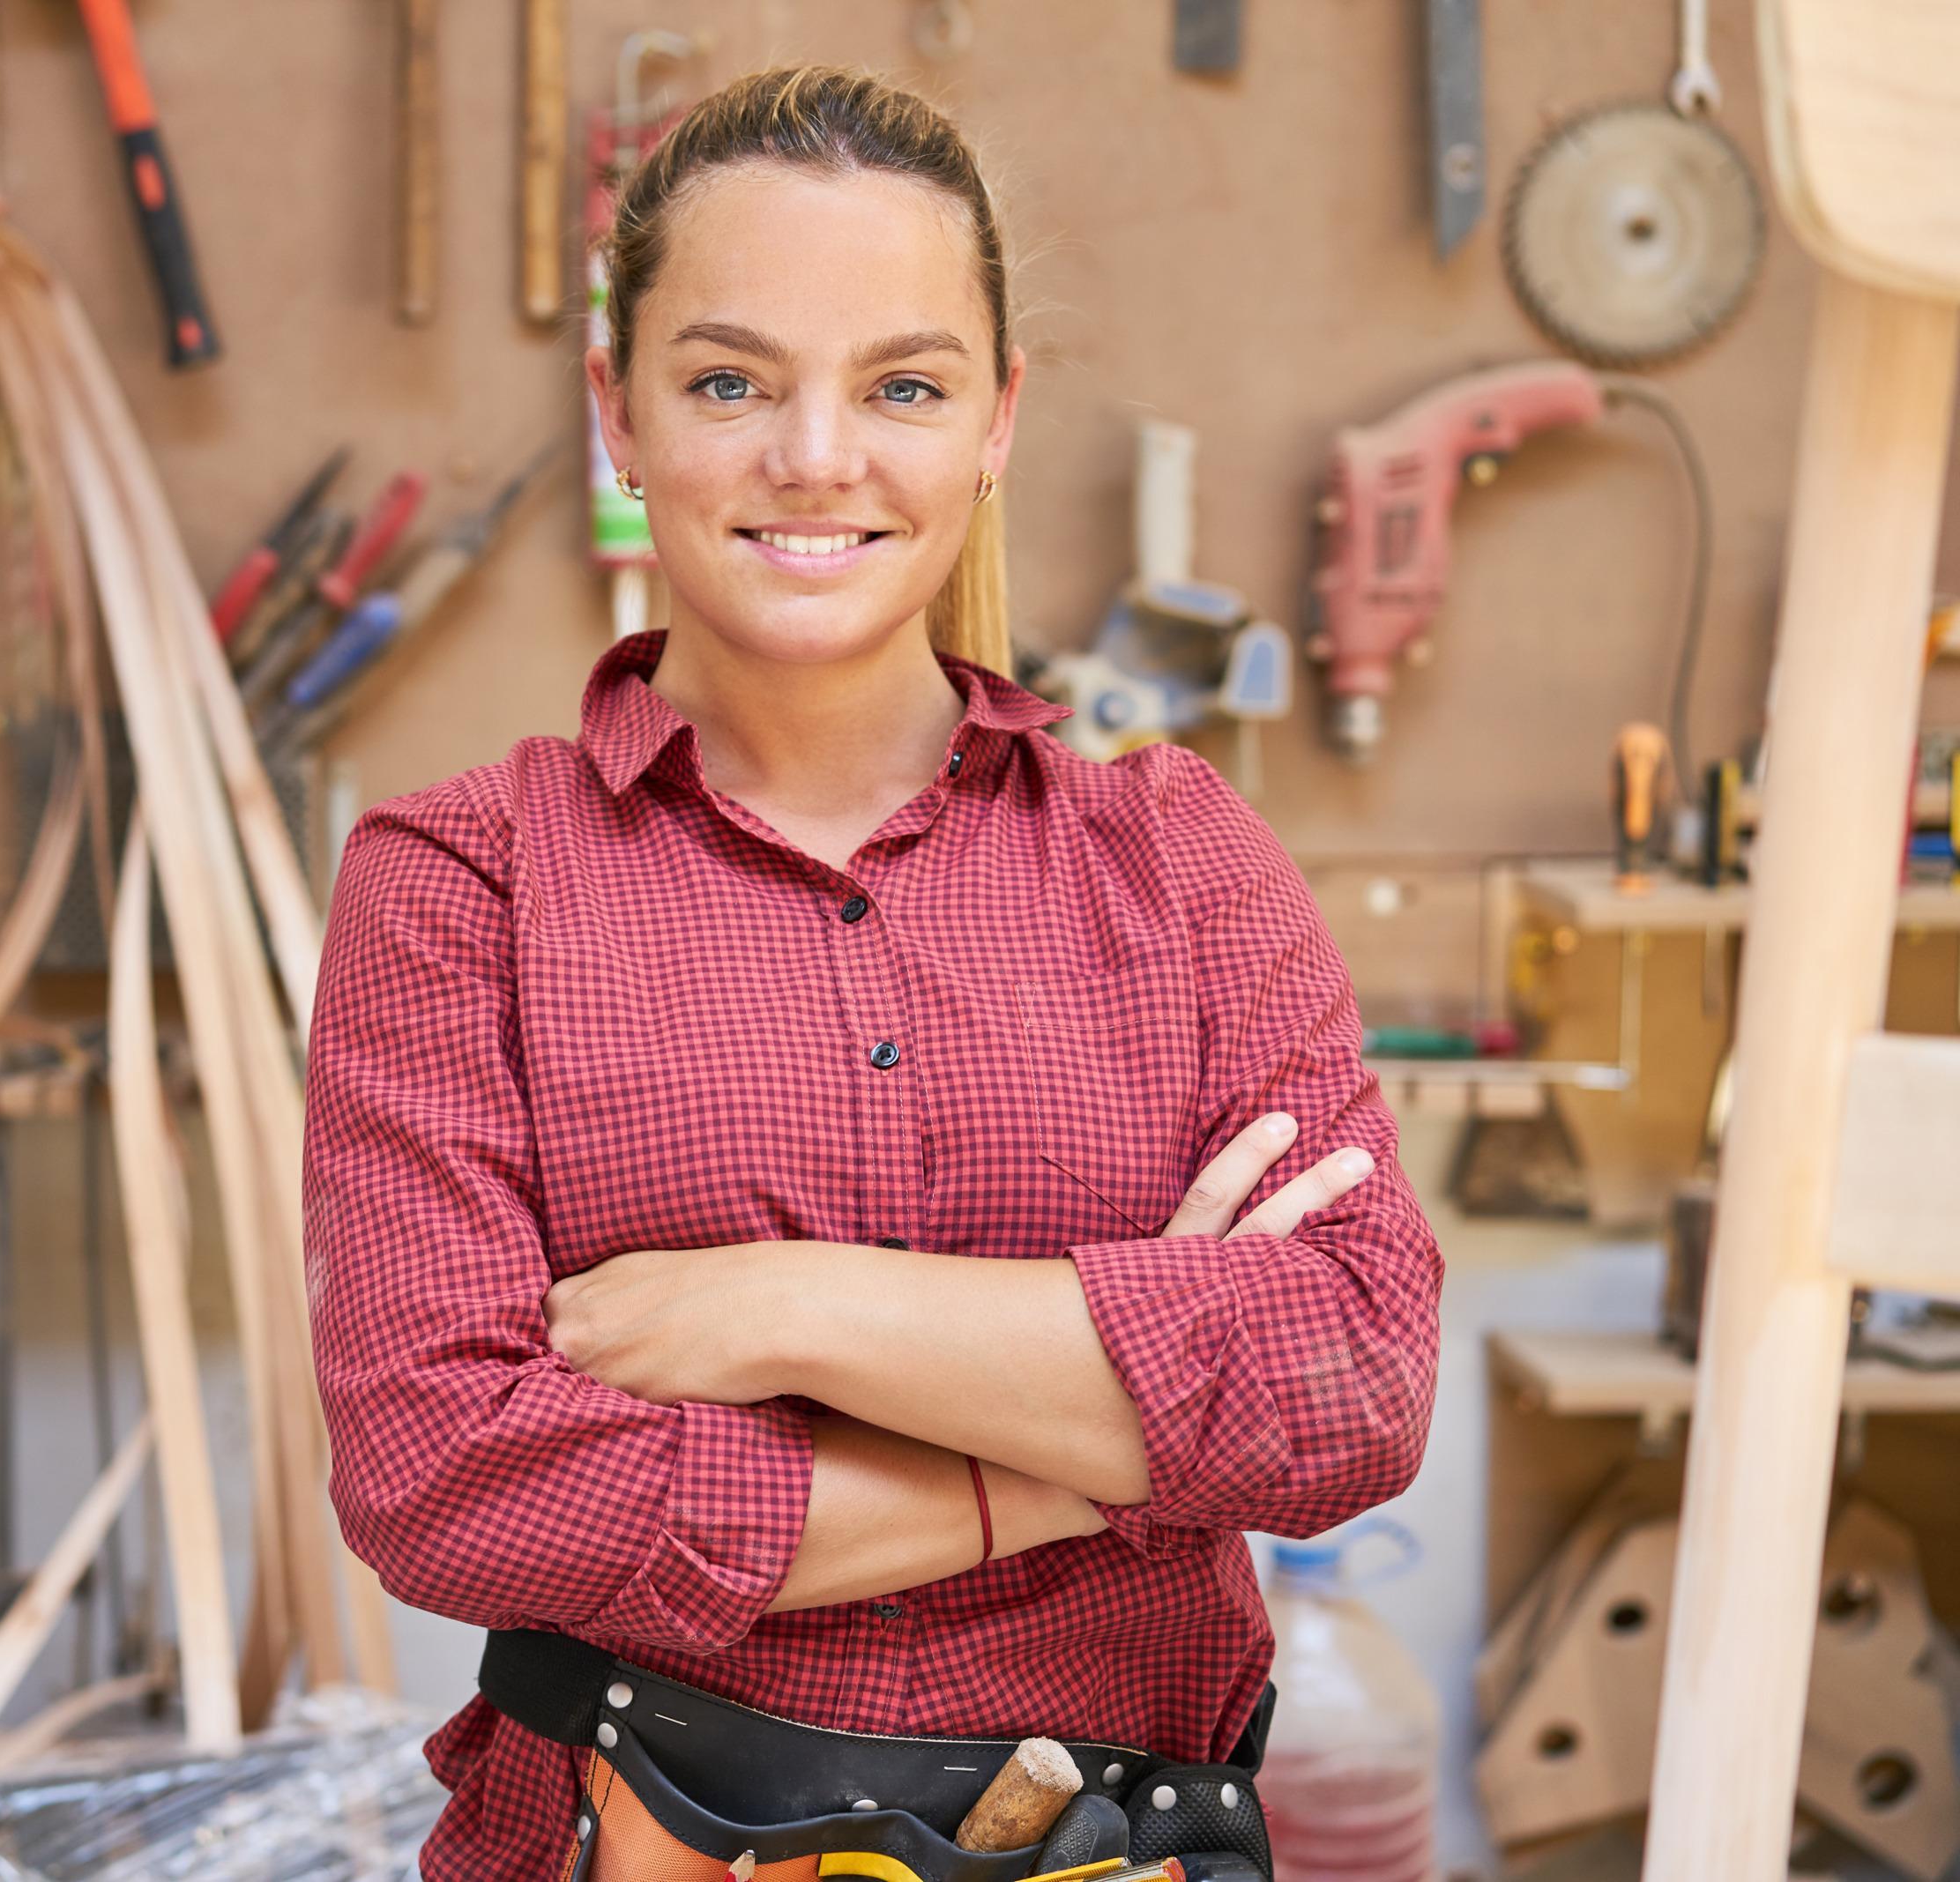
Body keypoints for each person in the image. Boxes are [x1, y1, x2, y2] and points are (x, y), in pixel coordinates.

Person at [303, 64, 1442, 1882]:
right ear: (619, 415)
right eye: (729, 382)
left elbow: (1351, 1381)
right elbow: (451, 1480)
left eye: (902, 386)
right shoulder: (462, 886)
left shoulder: (1181, 860)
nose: (815, 458)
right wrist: (1093, 1455)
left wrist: (775, 1308)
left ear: (996, 420)